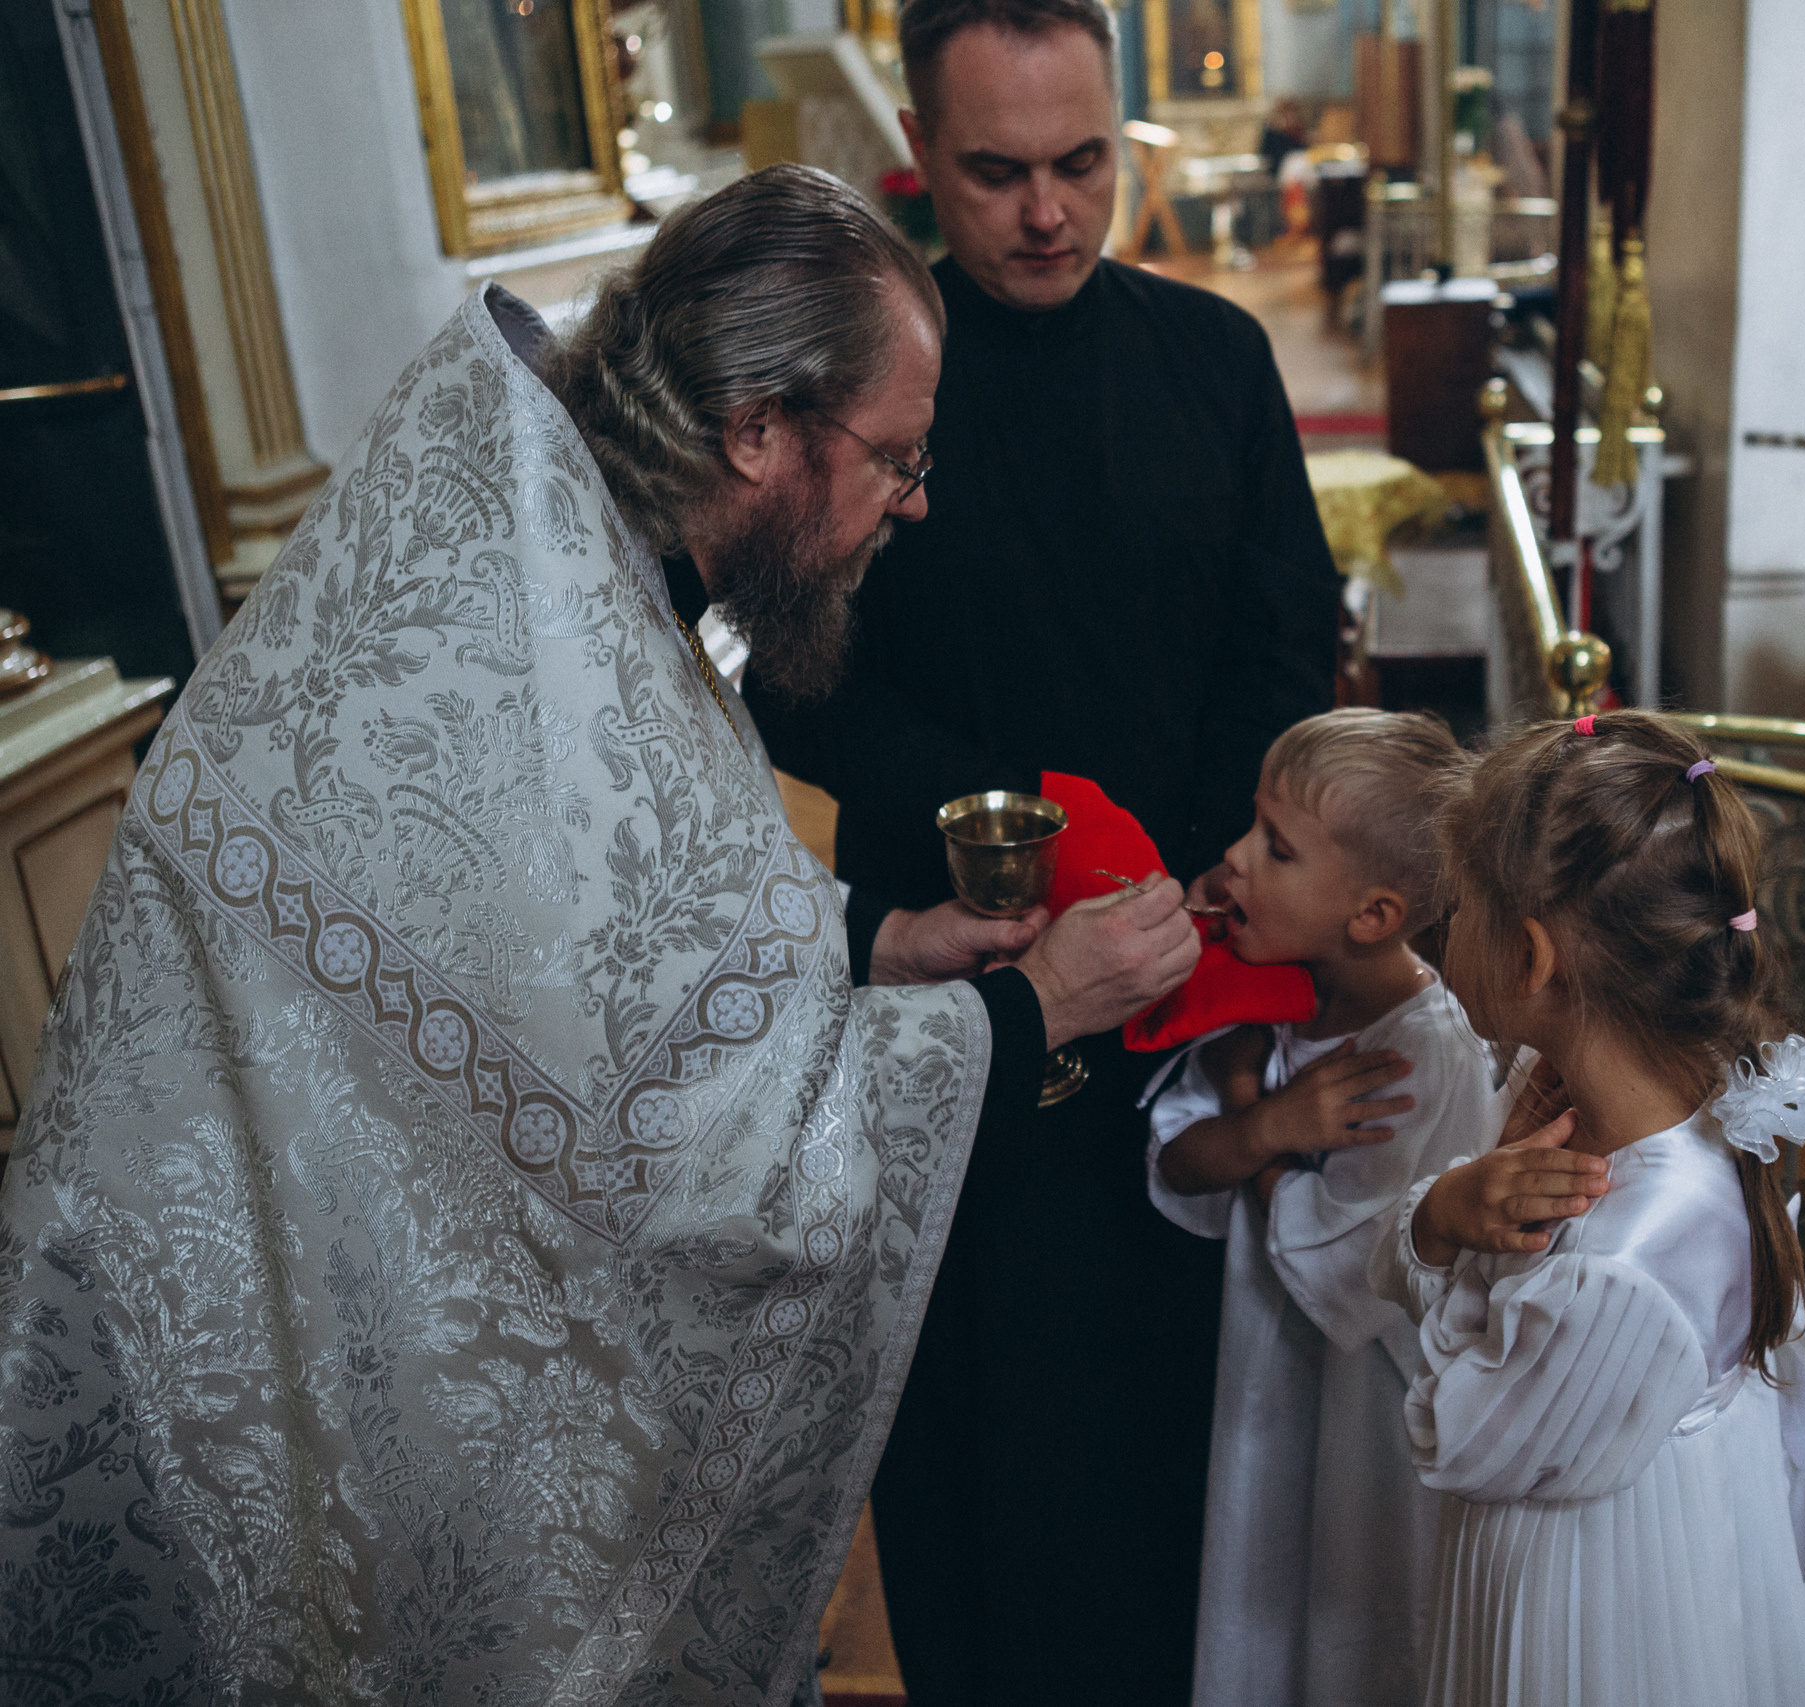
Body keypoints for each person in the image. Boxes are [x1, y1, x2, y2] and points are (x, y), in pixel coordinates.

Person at [0, 165, 1198, 1704]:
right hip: (213, 1324)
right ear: (756, 427)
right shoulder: (518, 615)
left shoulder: (549, 513)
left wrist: (867, 938)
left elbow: (606, 927)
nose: (915, 502)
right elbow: (696, 1156)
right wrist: (1030, 1006)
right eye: (895, 457)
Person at [735, 2, 1342, 1699]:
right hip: (973, 1003)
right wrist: (1044, 847)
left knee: (1212, 1461)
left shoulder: (1217, 357)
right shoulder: (855, 388)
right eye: (997, 175)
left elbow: (1284, 653)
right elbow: (802, 689)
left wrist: (1202, 883)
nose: (1050, 212)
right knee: (1005, 1485)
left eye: (1082, 163)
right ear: (921, 161)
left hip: (1210, 983)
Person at [1370, 712, 1805, 1707]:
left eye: (1457, 908)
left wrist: (1450, 1247)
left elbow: (1458, 1440)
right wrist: (1449, 1212)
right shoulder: (1677, 1096)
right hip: (1682, 1537)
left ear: (1531, 960)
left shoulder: (1623, 1261)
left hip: (1603, 1604)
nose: (1440, 932)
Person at [1146, 709, 1500, 1707]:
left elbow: (1360, 1276)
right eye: (1253, 827)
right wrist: (1266, 1127)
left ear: (1374, 914)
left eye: (1276, 847)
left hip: (1372, 1414)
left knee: (1356, 1608)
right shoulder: (1266, 996)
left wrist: (1262, 1119)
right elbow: (1179, 1163)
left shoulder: (1425, 1052)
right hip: (1264, 1379)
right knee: (1262, 1579)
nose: (1232, 857)